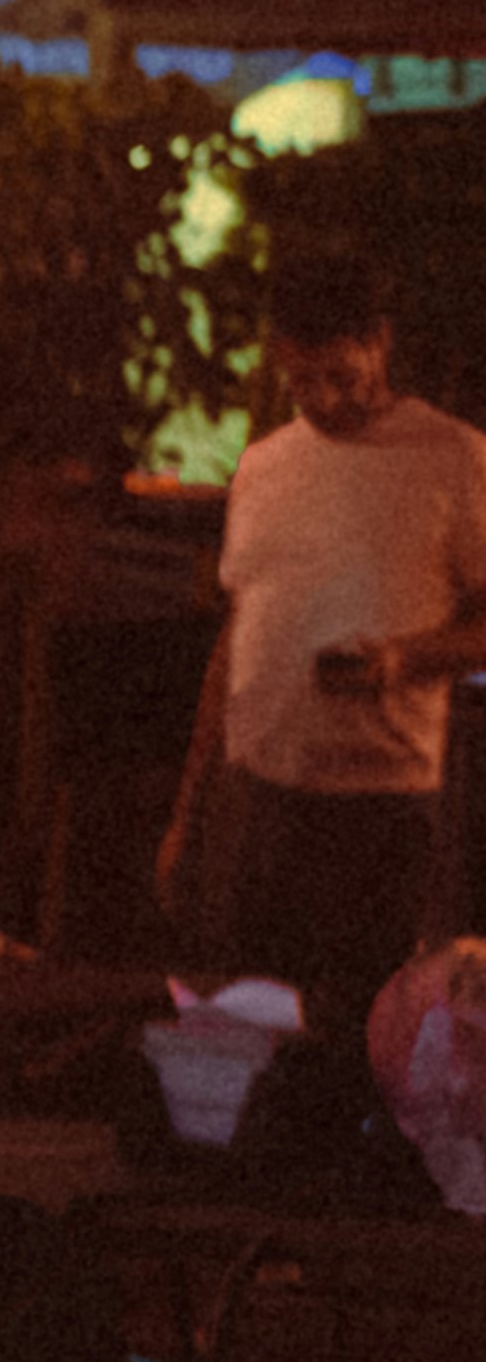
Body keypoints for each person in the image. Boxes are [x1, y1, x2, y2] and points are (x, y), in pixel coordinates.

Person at [157, 250, 486, 1017]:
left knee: (365, 1030)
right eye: (303, 381)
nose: (323, 402)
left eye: (342, 376)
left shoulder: (454, 461)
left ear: (381, 342)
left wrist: (408, 658)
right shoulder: (267, 466)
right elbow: (237, 638)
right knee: (248, 1017)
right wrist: (189, 810)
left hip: (380, 804)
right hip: (259, 795)